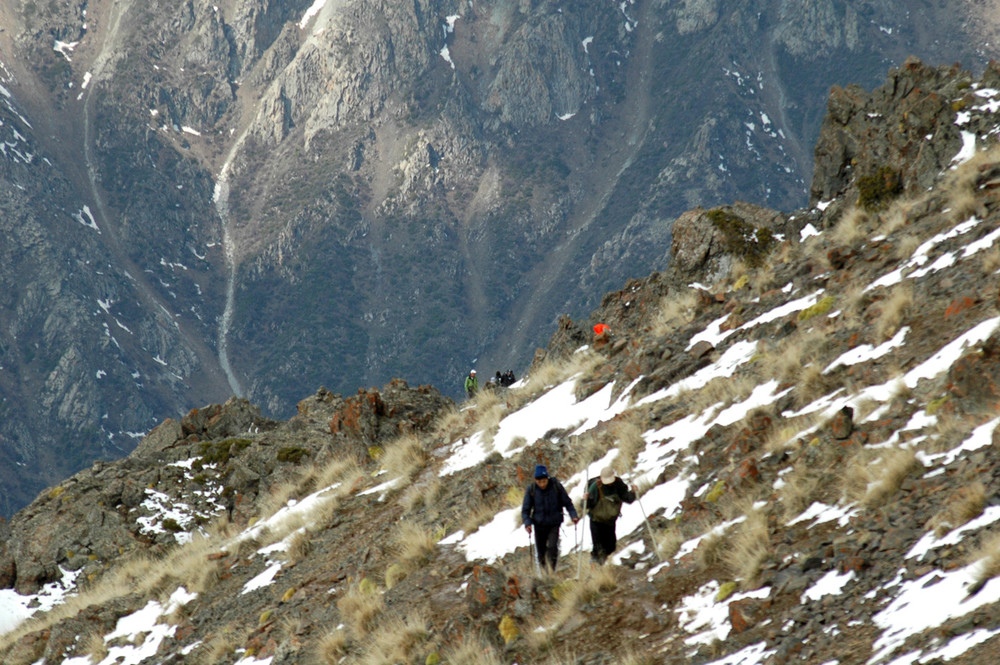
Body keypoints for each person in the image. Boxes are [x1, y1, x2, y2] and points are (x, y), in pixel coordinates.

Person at [522, 464, 579, 572]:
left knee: (553, 548)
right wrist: (527, 522)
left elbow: (568, 503)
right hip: (539, 525)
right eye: (539, 482)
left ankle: (551, 572)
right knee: (541, 553)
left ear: (547, 478)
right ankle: (544, 574)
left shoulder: (556, 486)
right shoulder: (532, 490)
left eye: (544, 481)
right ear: (535, 480)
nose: (542, 484)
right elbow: (526, 510)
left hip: (554, 523)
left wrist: (573, 515)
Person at [584, 466, 637, 564]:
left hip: (610, 521)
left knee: (610, 547)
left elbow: (627, 498)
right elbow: (586, 506)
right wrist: (586, 499)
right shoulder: (595, 487)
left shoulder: (618, 484)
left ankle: (601, 563)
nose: (609, 484)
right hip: (596, 521)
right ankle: (596, 568)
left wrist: (633, 492)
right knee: (598, 548)